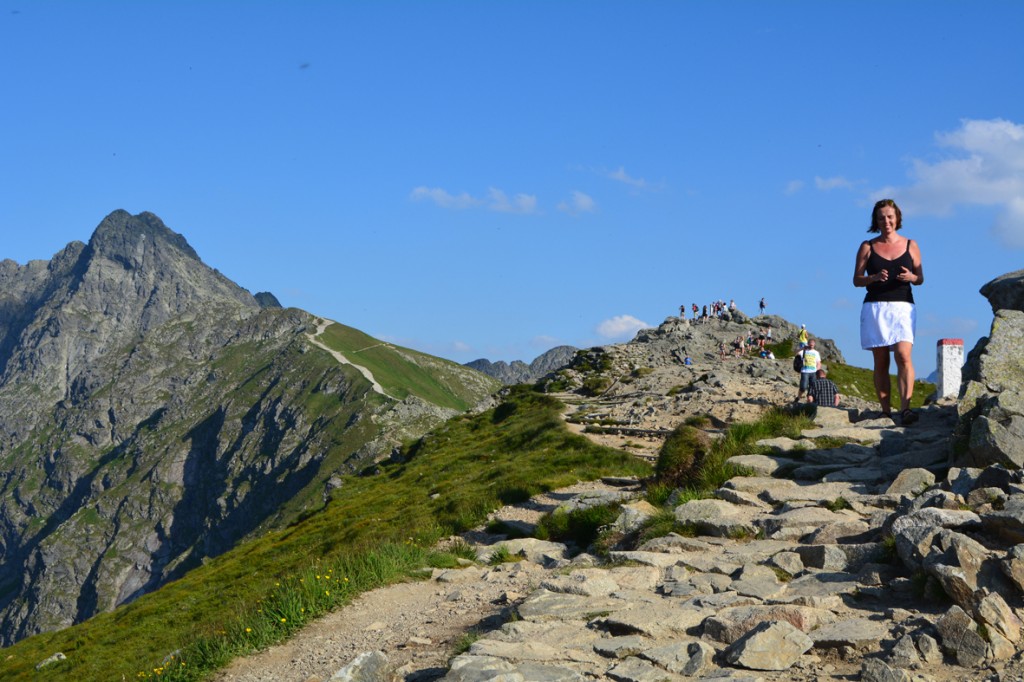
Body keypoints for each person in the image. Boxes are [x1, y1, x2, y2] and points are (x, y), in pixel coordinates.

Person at [853, 198, 924, 425]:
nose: (886, 221)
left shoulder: (911, 244)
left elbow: (920, 278)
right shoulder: (867, 246)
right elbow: (856, 280)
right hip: (875, 306)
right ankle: (885, 411)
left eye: (890, 216)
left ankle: (905, 409)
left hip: (903, 306)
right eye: (881, 217)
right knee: (881, 361)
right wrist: (872, 278)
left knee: (903, 355)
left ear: (897, 218)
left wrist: (911, 277)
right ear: (876, 220)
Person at [795, 338, 821, 402]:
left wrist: (817, 371)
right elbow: (795, 353)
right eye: (810, 343)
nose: (811, 345)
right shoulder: (804, 351)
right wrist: (802, 348)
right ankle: (798, 397)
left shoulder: (816, 353)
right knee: (803, 387)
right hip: (805, 371)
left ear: (814, 344)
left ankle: (809, 401)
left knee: (812, 388)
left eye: (812, 344)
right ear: (808, 344)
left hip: (813, 372)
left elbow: (818, 362)